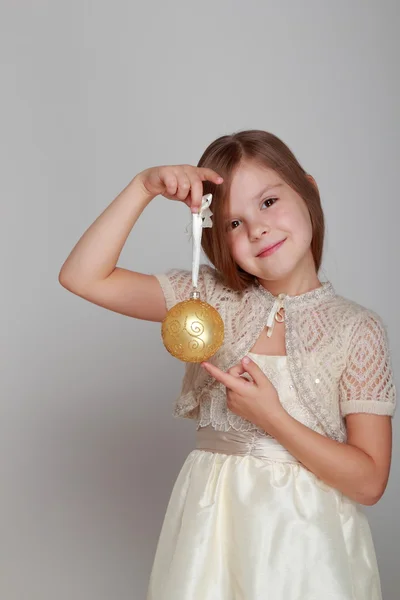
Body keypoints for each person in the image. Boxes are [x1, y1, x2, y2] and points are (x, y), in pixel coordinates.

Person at [58, 130, 397, 599]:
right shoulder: (211, 300)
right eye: (233, 223)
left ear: (310, 190)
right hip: (211, 533)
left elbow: (369, 481)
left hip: (308, 542)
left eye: (269, 201)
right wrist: (143, 187)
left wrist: (273, 419)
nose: (256, 228)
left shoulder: (357, 330)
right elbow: (82, 276)